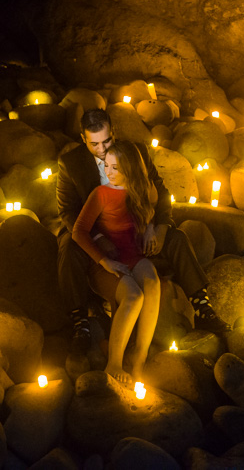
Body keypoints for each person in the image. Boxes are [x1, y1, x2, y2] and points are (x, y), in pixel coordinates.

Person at [57, 108, 230, 361]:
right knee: (68, 246)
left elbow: (160, 193)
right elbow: (67, 211)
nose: (102, 149)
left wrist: (157, 227)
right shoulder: (71, 163)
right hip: (93, 226)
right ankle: (80, 322)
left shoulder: (135, 151)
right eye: (94, 144)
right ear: (84, 139)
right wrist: (97, 238)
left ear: (113, 133)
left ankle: (202, 306)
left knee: (177, 238)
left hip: (134, 224)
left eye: (107, 141)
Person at [71, 142, 159, 383]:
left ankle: (139, 360)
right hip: (106, 263)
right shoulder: (100, 194)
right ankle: (114, 364)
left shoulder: (143, 190)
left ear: (130, 169)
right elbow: (78, 231)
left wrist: (150, 226)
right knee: (134, 297)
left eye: (115, 168)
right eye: (106, 166)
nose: (108, 173)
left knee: (151, 282)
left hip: (133, 256)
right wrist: (104, 262)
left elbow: (152, 207)